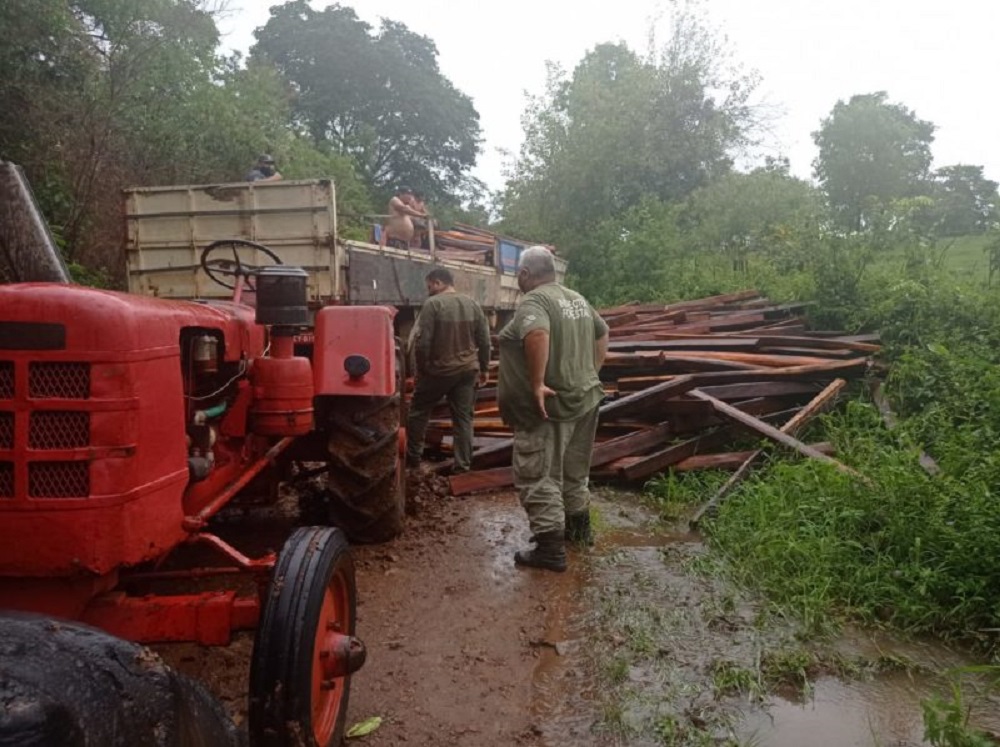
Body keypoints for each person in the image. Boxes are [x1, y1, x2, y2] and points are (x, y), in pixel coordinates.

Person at [497, 246, 609, 572]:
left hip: (550, 409)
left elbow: (537, 333)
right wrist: (592, 372)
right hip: (584, 400)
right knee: (573, 474)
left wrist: (536, 383)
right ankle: (578, 534)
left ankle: (550, 550)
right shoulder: (575, 297)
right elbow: (603, 333)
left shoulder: (535, 300)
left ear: (525, 274)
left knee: (537, 475)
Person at [406, 267, 491, 473]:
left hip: (438, 371)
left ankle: (413, 461)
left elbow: (423, 343)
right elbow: (485, 340)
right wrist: (484, 367)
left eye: (429, 286)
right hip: (467, 371)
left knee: (418, 412)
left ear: (437, 283)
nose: (428, 290)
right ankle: (462, 467)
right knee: (463, 419)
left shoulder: (433, 304)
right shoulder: (472, 304)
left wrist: (421, 371)